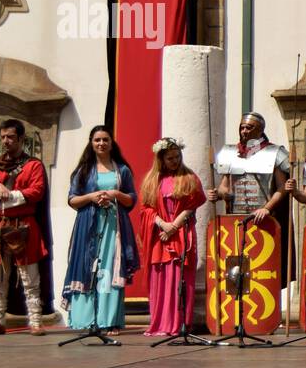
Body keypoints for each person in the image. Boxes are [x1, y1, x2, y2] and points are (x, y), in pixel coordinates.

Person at [0, 118, 53, 335]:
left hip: (24, 227)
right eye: (2, 137)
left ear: (21, 138)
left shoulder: (33, 165)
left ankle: (36, 322)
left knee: (30, 277)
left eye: (10, 137)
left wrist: (9, 194)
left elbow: (37, 191)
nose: (6, 141)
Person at [62, 126, 140, 333]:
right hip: (87, 226)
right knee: (87, 267)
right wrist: (91, 197)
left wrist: (114, 193)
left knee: (110, 269)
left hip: (114, 227)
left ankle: (109, 321)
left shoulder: (121, 170)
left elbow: (132, 198)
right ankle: (85, 319)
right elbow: (72, 199)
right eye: (97, 140)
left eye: (105, 139)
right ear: (91, 142)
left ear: (111, 142)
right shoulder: (83, 171)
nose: (101, 143)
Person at [138, 136, 206, 336]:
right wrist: (163, 225)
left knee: (179, 278)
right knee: (161, 277)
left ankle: (177, 323)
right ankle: (160, 323)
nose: (175, 161)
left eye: (177, 157)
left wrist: (174, 226)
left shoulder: (189, 177)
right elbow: (146, 209)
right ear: (161, 159)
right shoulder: (152, 181)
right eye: (170, 158)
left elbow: (192, 205)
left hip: (181, 233)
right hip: (160, 234)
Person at [208, 111, 289, 222]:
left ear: (260, 130)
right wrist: (218, 194)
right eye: (242, 128)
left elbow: (282, 187)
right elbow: (224, 187)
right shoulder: (230, 152)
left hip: (265, 216)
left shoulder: (275, 152)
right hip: (235, 216)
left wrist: (266, 209)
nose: (244, 131)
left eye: (249, 128)